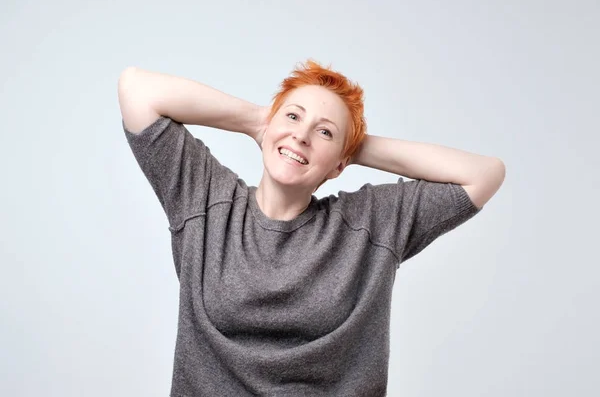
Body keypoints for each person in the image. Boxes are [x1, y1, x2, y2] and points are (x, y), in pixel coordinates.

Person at [118, 59, 505, 396]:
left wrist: (352, 148)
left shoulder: (370, 224)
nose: (301, 135)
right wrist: (259, 120)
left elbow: (484, 175)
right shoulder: (205, 200)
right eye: (292, 116)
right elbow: (136, 89)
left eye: (324, 132)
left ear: (340, 165)